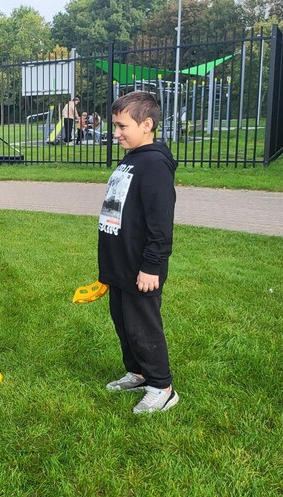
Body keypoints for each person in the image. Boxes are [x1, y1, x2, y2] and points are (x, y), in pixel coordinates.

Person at [98, 91, 179, 414]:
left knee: (142, 326)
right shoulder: (132, 157)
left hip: (140, 268)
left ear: (147, 124)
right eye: (114, 126)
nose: (115, 133)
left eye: (121, 126)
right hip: (120, 264)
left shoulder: (155, 164)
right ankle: (139, 372)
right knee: (123, 322)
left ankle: (162, 387)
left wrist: (152, 266)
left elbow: (161, 224)